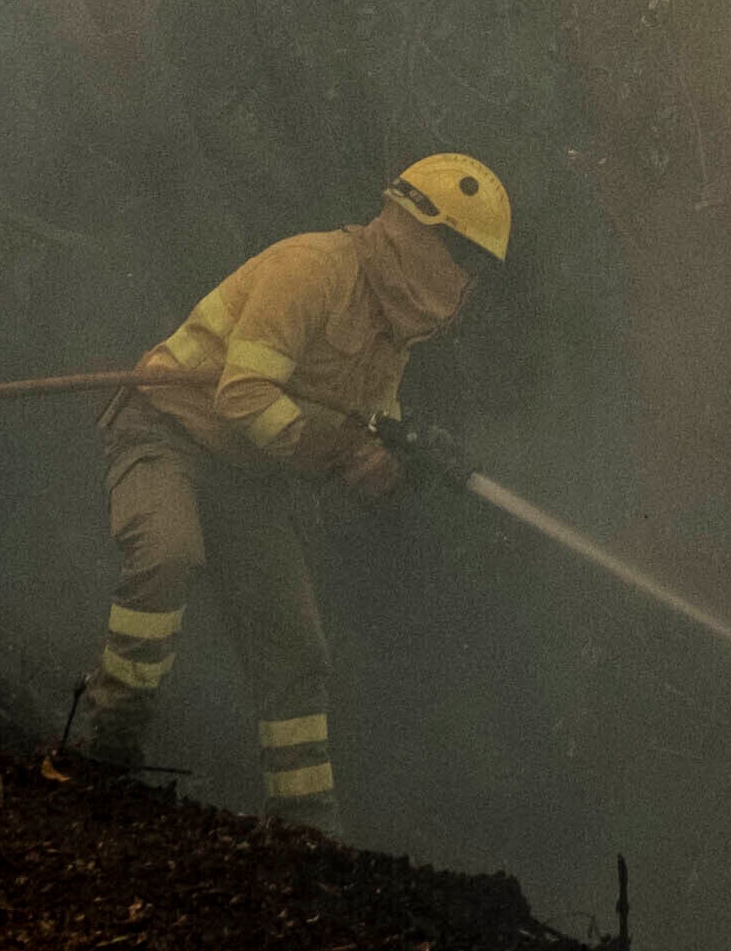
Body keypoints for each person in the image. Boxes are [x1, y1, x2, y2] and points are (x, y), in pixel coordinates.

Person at [68, 153, 507, 826]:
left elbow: (365, 429)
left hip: (248, 473)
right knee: (167, 554)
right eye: (459, 253)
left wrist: (387, 467)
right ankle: (103, 750)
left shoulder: (394, 333)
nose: (464, 276)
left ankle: (306, 829)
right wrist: (326, 451)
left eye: (476, 266)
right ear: (415, 229)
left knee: (296, 646)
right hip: (167, 430)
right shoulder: (311, 270)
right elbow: (242, 393)